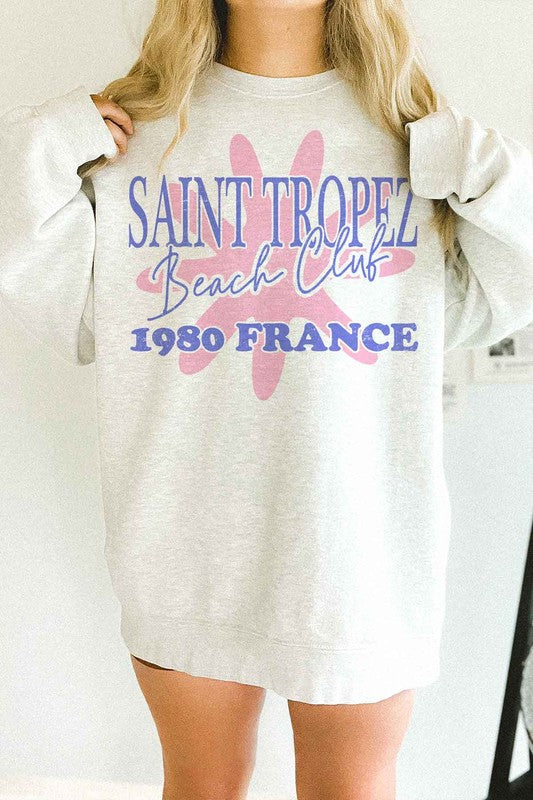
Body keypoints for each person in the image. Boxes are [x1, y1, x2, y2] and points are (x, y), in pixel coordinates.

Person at [1, 1, 532, 798]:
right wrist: (42, 145)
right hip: (183, 546)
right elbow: (65, 313)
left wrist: (480, 163)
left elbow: (492, 298)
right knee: (202, 784)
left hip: (357, 550)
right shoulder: (129, 135)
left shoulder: (413, 139)